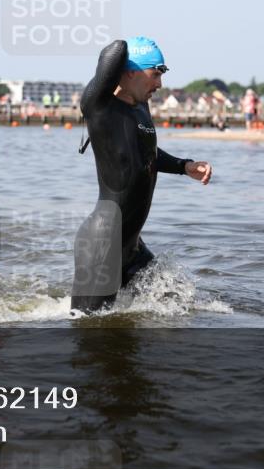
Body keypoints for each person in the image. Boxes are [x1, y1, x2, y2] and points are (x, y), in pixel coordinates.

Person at [71, 38, 212, 313]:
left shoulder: (140, 107)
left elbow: (145, 155)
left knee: (183, 306)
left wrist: (184, 166)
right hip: (102, 246)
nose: (159, 84)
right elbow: (114, 51)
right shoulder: (99, 106)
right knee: (90, 332)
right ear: (131, 71)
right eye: (155, 74)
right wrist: (132, 50)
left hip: (132, 247)